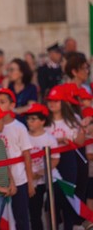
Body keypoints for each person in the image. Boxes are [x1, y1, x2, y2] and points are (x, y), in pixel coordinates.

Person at [0, 88, 35, 230]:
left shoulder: (19, 127)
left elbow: (27, 155)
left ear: (12, 105)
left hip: (20, 179)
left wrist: (30, 182)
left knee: (21, 217)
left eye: (2, 102)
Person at [45, 85, 85, 230]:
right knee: (53, 198)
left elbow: (80, 142)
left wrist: (82, 128)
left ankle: (68, 226)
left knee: (69, 196)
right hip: (50, 161)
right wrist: (57, 140)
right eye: (50, 100)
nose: (52, 104)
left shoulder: (73, 119)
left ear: (63, 102)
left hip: (68, 159)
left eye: (56, 100)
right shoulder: (44, 121)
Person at [23, 103, 60, 230]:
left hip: (48, 179)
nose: (29, 122)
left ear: (43, 121)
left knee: (52, 209)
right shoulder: (24, 137)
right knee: (34, 212)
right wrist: (30, 177)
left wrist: (40, 172)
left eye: (33, 119)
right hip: (31, 182)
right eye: (28, 119)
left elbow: (55, 159)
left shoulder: (49, 138)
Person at [7, 58, 38, 124]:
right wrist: (4, 88)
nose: (9, 73)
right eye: (8, 70)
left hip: (26, 123)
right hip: (9, 123)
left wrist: (14, 110)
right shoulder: (9, 87)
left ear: (21, 73)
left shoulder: (31, 88)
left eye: (12, 70)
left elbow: (31, 106)